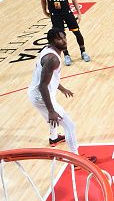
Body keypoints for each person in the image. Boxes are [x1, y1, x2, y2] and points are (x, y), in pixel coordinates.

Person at [28, 28, 96, 162]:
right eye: (59, 39)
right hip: (41, 95)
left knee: (54, 118)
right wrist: (51, 110)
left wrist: (61, 88)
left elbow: (48, 78)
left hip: (38, 93)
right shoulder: (52, 59)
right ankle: (76, 160)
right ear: (52, 41)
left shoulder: (48, 50)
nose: (64, 41)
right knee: (69, 125)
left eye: (64, 37)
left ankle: (54, 138)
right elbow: (43, 86)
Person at [40, 0, 91, 66]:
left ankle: (83, 52)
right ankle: (66, 55)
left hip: (67, 13)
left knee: (77, 32)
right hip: (55, 15)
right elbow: (43, 0)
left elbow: (74, 0)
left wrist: (79, 13)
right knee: (60, 36)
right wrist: (44, 11)